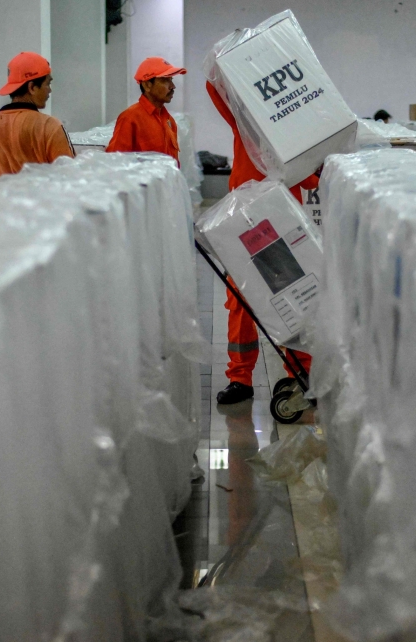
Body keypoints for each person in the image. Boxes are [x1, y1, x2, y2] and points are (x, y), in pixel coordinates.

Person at [206, 81, 318, 405]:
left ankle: (301, 372)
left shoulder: (296, 131)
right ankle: (240, 378)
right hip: (244, 223)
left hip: (283, 221)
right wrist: (229, 65)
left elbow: (310, 173)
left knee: (292, 297)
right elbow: (216, 89)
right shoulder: (246, 125)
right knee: (239, 303)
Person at [0, 52, 75, 184]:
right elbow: (70, 181)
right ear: (32, 87)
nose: (50, 90)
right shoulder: (50, 126)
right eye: (48, 84)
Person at [106, 57, 187, 163]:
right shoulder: (130, 118)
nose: (172, 86)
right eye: (165, 80)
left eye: (171, 80)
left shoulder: (169, 120)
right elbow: (115, 161)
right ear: (147, 85)